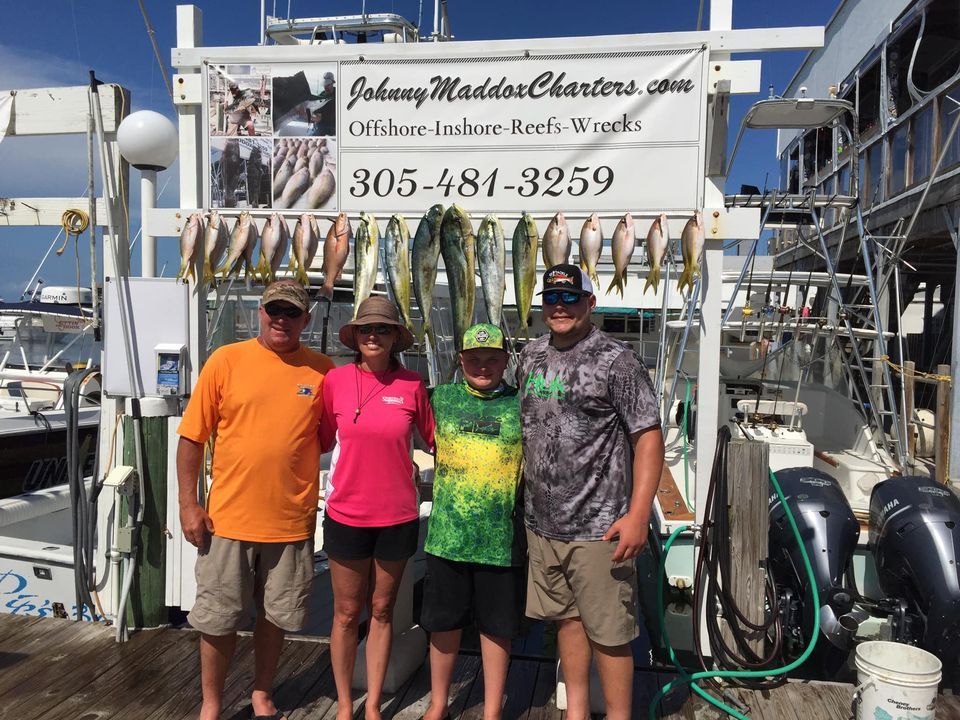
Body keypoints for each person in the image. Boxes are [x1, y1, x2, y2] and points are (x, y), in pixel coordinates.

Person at [177, 280, 335, 720]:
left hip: (291, 521)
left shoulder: (323, 370)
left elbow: (334, 436)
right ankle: (211, 703)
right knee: (217, 620)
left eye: (292, 312)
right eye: (274, 310)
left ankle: (262, 693)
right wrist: (189, 505)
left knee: (275, 617)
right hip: (226, 521)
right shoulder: (226, 360)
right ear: (260, 313)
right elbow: (192, 438)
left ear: (305, 319)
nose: (282, 319)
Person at [518, 264, 664, 720]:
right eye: (551, 299)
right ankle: (576, 712)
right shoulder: (530, 355)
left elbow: (648, 437)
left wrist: (638, 514)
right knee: (568, 621)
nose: (560, 308)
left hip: (600, 527)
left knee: (611, 635)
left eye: (570, 299)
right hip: (543, 525)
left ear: (589, 304)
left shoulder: (616, 360)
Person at [319, 296, 435, 720]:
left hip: (398, 516)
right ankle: (345, 704)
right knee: (347, 613)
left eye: (382, 329)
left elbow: (436, 439)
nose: (373, 336)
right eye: (366, 329)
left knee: (383, 610)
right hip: (346, 515)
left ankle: (372, 706)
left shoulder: (413, 384)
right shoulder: (336, 380)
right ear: (355, 336)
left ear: (394, 339)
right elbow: (319, 439)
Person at [421, 323, 524, 720]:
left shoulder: (521, 402)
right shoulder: (439, 398)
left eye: (492, 359)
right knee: (443, 625)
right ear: (461, 360)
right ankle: (438, 703)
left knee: (496, 629)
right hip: (447, 537)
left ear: (505, 361)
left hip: (501, 539)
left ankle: (492, 710)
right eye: (474, 359)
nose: (483, 366)